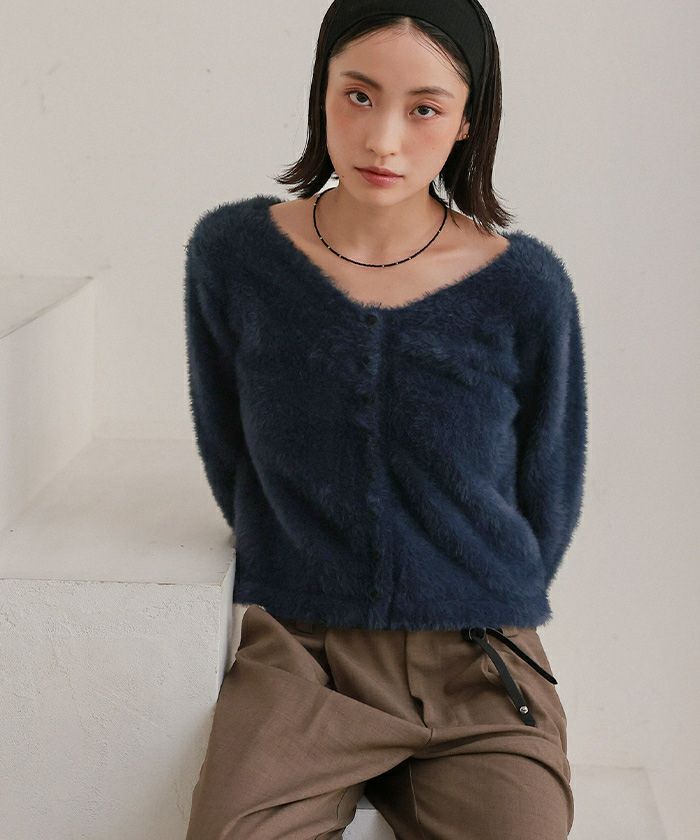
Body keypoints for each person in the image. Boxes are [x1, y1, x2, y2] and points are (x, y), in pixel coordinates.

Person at [183, 1, 587, 838]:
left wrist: (467, 586)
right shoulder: (235, 256)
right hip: (304, 657)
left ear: (468, 120)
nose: (383, 140)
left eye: (425, 108)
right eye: (358, 96)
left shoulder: (525, 287)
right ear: (321, 89)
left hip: (478, 661)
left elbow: (549, 485)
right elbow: (228, 450)